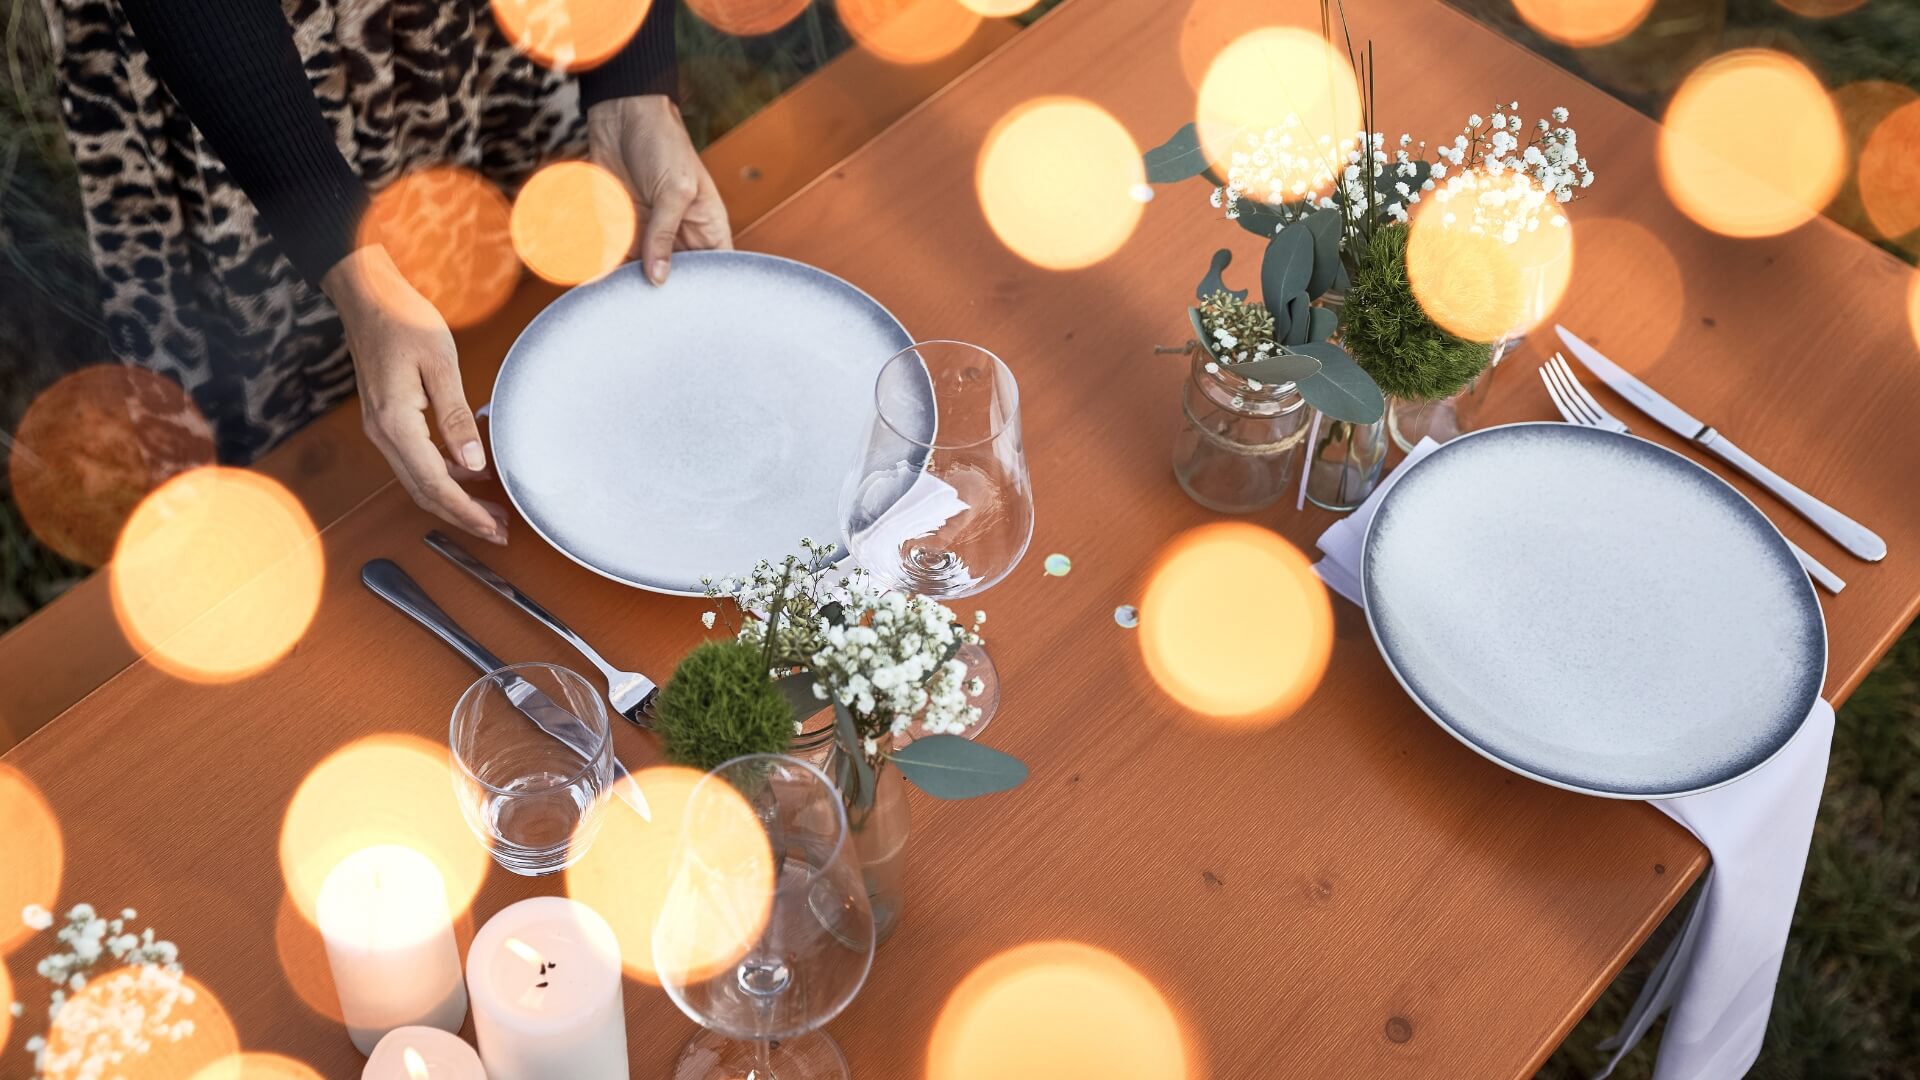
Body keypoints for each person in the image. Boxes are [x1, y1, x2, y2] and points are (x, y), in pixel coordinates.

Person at [43, 0, 732, 543]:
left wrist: (631, 85)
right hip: (246, 68)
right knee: (300, 430)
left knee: (518, 293)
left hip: (487, 29)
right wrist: (340, 252)